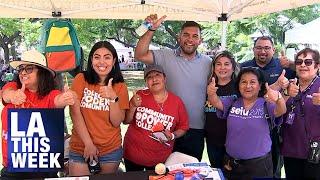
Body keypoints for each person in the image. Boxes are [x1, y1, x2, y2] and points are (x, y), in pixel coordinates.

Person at [134, 14, 211, 161]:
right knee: (162, 171)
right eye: (186, 35)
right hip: (166, 127)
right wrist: (151, 30)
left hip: (196, 129)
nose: (190, 39)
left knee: (190, 172)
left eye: (195, 36)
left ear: (200, 41)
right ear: (178, 37)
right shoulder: (165, 55)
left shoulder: (208, 63)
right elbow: (140, 55)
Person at [1, 49, 75, 179]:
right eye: (21, 69)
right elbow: (6, 95)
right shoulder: (12, 86)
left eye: (29, 69)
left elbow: (57, 100)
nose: (23, 72)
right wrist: (13, 96)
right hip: (12, 166)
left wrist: (66, 98)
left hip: (42, 167)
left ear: (41, 73)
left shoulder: (50, 95)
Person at [207, 67, 287, 179]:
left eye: (252, 82)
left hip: (259, 166)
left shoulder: (266, 104)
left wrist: (279, 98)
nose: (247, 86)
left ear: (260, 86)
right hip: (231, 164)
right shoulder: (232, 102)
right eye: (243, 82)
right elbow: (216, 102)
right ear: (238, 85)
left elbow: (281, 110)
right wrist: (211, 93)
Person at [68, 41, 129, 176]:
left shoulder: (120, 86)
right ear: (91, 60)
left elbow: (116, 122)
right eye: (97, 57)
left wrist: (113, 98)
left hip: (110, 150)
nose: (102, 62)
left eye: (107, 57)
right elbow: (74, 113)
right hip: (81, 148)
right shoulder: (81, 79)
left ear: (114, 61)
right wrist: (88, 144)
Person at [241, 36, 295, 178]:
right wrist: (276, 86)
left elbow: (308, 70)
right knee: (249, 167)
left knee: (274, 169)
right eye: (259, 48)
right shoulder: (244, 67)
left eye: (267, 48)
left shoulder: (282, 66)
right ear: (253, 49)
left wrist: (291, 64)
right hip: (251, 127)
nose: (262, 51)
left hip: (276, 128)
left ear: (273, 50)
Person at [123, 64, 189, 171]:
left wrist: (172, 135)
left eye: (157, 75)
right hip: (132, 155)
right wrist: (133, 106)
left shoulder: (177, 102)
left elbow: (183, 127)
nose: (154, 79)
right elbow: (126, 121)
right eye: (149, 77)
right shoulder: (139, 96)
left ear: (164, 78)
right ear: (146, 82)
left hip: (160, 159)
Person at [281, 48, 320, 179]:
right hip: (291, 150)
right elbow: (275, 111)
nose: (303, 65)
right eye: (299, 62)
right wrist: (286, 94)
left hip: (315, 152)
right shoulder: (289, 84)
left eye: (308, 62)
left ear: (317, 66)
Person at [204, 51, 239, 168]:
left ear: (233, 68)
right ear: (214, 68)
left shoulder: (239, 87)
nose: (222, 67)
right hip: (212, 140)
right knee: (216, 172)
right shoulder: (209, 87)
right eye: (218, 64)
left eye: (226, 64)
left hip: (233, 142)